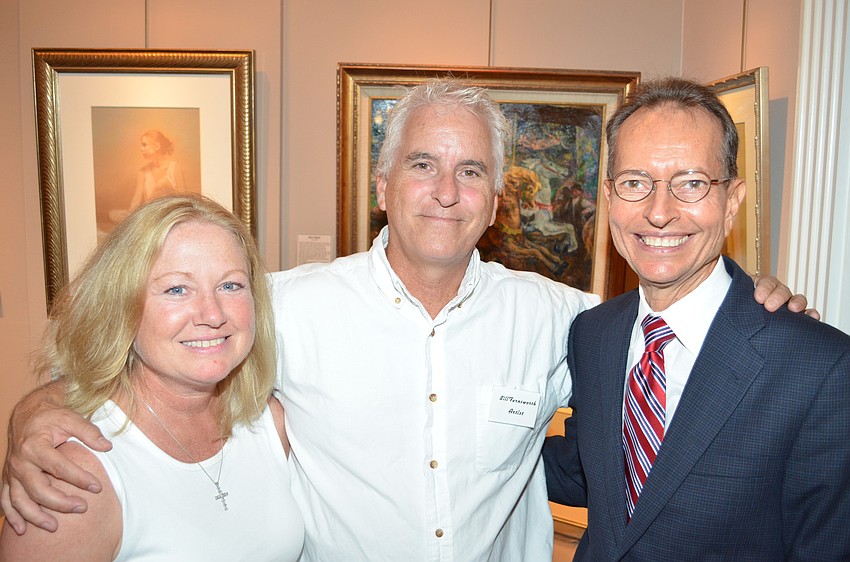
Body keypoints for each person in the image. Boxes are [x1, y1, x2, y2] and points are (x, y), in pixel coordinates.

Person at [2, 80, 809, 561]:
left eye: (471, 172)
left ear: (497, 201)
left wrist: (755, 301)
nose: (445, 192)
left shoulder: (563, 320)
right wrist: (35, 413)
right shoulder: (283, 306)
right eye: (422, 166)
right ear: (383, 186)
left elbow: (673, 345)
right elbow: (165, 352)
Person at [543, 77, 850, 560]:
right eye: (635, 183)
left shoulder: (819, 366)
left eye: (691, 183)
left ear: (731, 202)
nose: (659, 213)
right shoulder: (593, 333)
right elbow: (597, 476)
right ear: (609, 197)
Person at [0, 195, 304, 560]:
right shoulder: (74, 474)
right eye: (177, 289)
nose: (212, 314)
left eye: (230, 285)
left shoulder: (268, 421)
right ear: (122, 307)